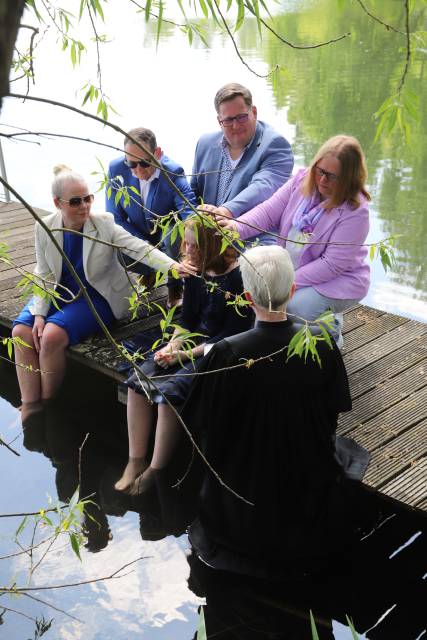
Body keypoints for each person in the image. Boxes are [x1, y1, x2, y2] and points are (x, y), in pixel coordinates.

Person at [180, 245, 371, 578]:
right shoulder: (321, 343)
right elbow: (333, 413)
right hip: (304, 485)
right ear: (293, 290)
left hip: (240, 497)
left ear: (247, 295)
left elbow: (199, 422)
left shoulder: (226, 353)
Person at [12, 165, 194, 424]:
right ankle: (30, 404)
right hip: (58, 290)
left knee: (51, 336)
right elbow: (44, 273)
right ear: (57, 203)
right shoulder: (45, 227)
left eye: (88, 198)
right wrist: (39, 313)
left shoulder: (104, 224)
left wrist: (174, 266)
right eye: (75, 201)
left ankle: (47, 404)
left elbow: (138, 248)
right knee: (20, 333)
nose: (84, 206)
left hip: (96, 296)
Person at [115, 215, 254, 495]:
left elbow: (232, 336)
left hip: (218, 351)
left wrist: (186, 355)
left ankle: (156, 467)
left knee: (169, 394)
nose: (187, 251)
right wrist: (173, 346)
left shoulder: (238, 277)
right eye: (186, 244)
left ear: (213, 246)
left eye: (195, 246)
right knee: (137, 381)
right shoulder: (193, 270)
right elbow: (187, 319)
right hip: (190, 343)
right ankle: (135, 458)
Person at [218, 135, 371, 346]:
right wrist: (236, 227)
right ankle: (319, 316)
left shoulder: (356, 211)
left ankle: (332, 330)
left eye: (332, 176)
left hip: (338, 279)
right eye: (320, 171)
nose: (323, 180)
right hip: (296, 268)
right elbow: (268, 212)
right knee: (257, 291)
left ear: (349, 178)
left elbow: (331, 265)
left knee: (293, 308)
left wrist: (285, 283)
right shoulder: (302, 180)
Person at [191, 82, 293, 243]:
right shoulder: (205, 144)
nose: (236, 125)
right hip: (210, 240)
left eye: (241, 117)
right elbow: (193, 192)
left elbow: (262, 186)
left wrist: (225, 211)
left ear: (254, 112)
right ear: (219, 121)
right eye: (229, 120)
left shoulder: (275, 145)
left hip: (253, 240)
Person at [106, 127, 197, 307]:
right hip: (139, 232)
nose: (137, 170)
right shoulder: (116, 168)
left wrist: (194, 237)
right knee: (118, 248)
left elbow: (189, 214)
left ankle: (175, 285)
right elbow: (114, 217)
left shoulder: (173, 172)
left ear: (157, 153)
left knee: (174, 236)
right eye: (131, 163)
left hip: (167, 232)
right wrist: (141, 245)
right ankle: (148, 272)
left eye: (144, 163)